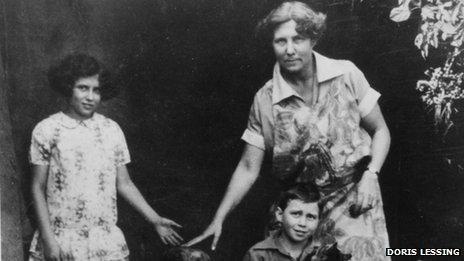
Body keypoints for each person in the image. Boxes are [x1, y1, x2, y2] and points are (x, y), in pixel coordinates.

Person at [186, 1, 391, 260]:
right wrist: (218, 219)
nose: (290, 50)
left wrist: (371, 175)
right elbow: (249, 167)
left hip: (353, 204)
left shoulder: (346, 74)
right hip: (297, 211)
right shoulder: (264, 99)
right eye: (280, 41)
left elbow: (381, 131)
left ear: (313, 39)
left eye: (299, 39)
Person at [29, 53, 183, 261]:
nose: (90, 97)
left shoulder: (112, 130)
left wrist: (154, 219)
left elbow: (125, 184)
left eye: (97, 90)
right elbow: (37, 187)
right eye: (83, 88)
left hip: (104, 243)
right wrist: (49, 240)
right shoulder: (47, 130)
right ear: (68, 88)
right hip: (62, 240)